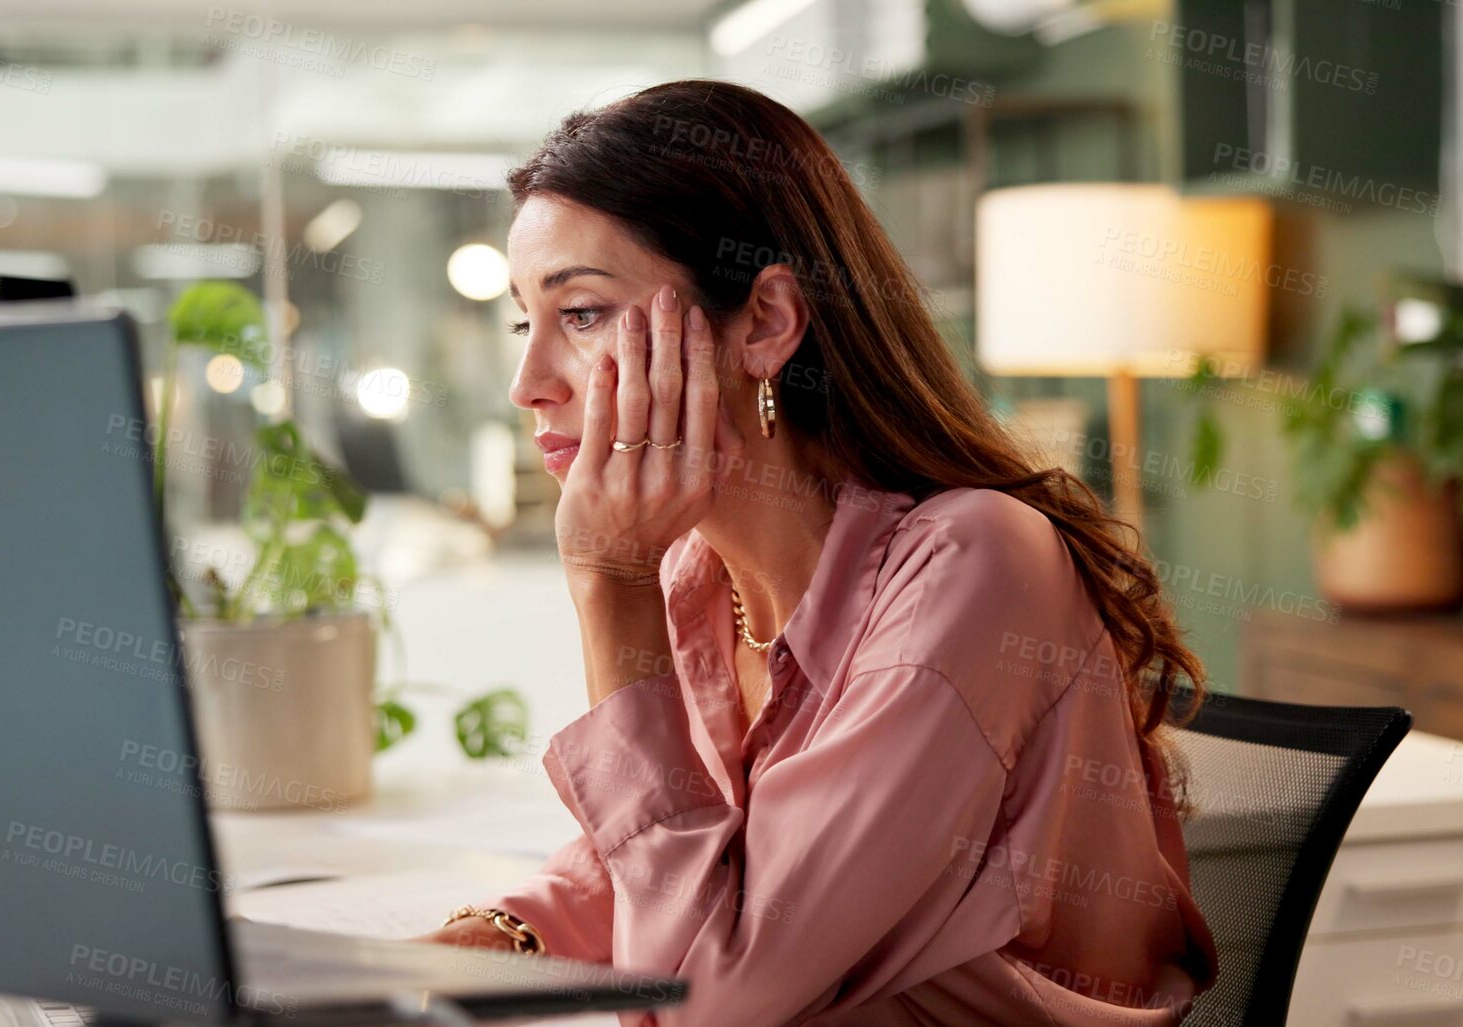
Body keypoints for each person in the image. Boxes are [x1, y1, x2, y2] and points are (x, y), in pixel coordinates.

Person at [424, 79, 1216, 1026]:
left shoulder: (972, 563)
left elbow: (714, 1003)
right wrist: (480, 942)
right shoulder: (699, 574)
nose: (526, 384)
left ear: (763, 322)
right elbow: (675, 858)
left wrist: (605, 583)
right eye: (525, 319)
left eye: (582, 314)